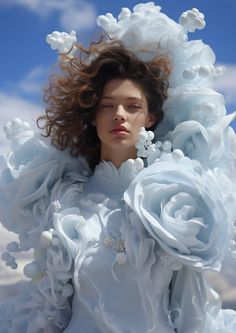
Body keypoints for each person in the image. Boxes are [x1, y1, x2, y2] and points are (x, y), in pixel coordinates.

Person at [0, 3, 236, 333]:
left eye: (133, 106)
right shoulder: (63, 201)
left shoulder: (174, 198)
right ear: (92, 117)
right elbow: (49, 311)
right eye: (107, 106)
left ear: (151, 117)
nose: (119, 115)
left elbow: (192, 315)